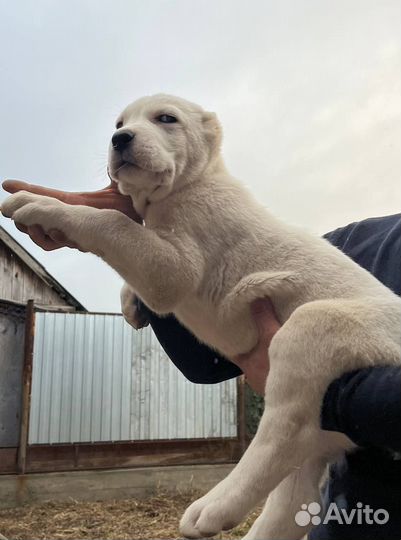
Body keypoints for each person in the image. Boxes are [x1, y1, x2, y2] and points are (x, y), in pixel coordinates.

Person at [2, 179, 400, 539]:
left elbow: (294, 376)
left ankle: (251, 481)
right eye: (120, 126)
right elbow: (207, 361)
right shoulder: (355, 243)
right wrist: (145, 242)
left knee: (309, 331)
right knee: (290, 490)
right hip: (351, 520)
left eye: (166, 120)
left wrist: (316, 395)